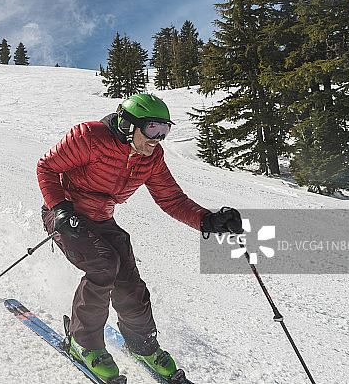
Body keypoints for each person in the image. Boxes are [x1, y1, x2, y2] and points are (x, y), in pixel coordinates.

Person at [37, 93, 243, 383]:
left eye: (164, 131)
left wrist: (208, 220)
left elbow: (171, 198)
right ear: (126, 124)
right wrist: (59, 208)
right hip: (65, 214)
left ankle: (142, 345)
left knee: (129, 280)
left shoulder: (151, 157)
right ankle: (83, 342)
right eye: (152, 130)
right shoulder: (89, 137)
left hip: (102, 219)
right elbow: (46, 167)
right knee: (104, 265)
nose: (157, 138)